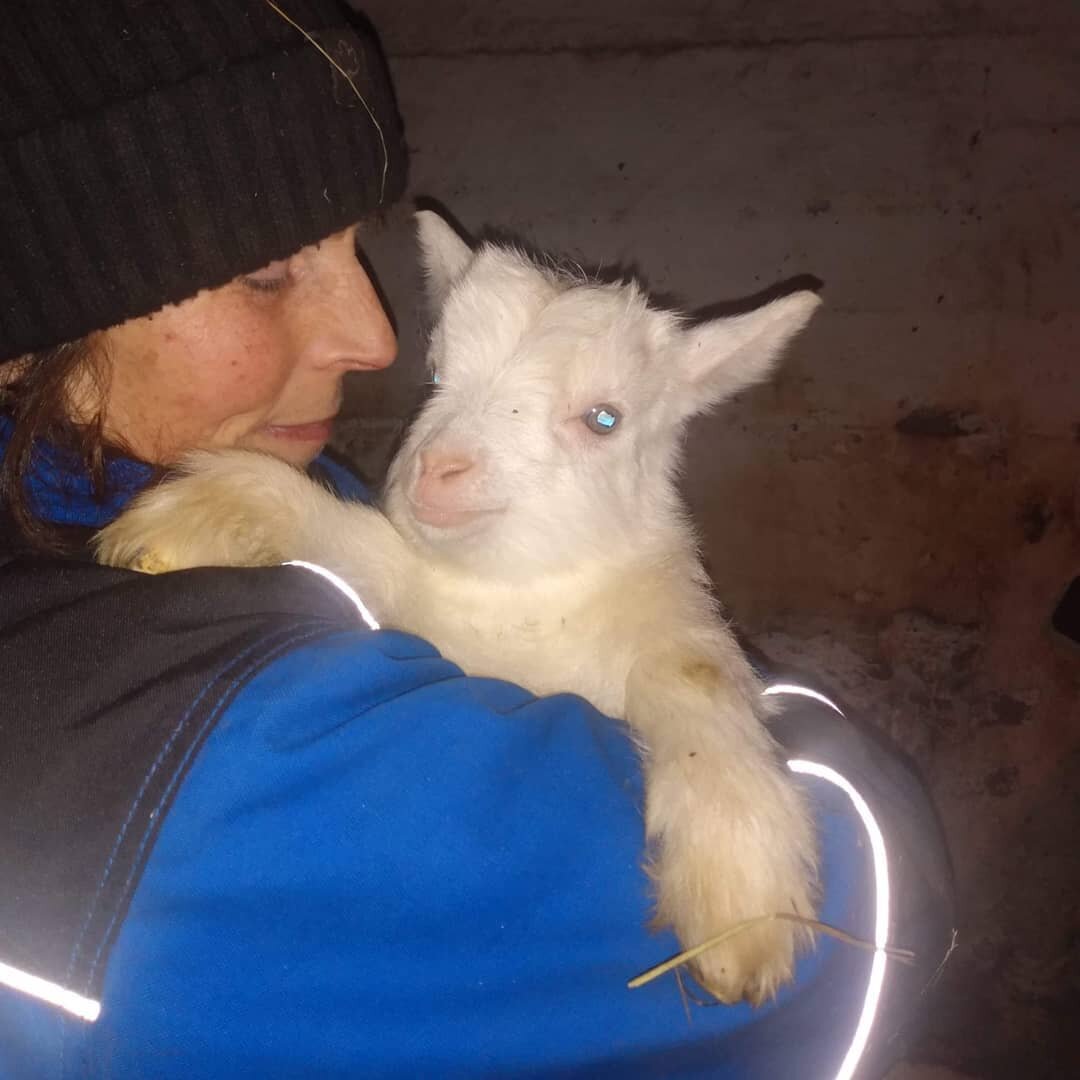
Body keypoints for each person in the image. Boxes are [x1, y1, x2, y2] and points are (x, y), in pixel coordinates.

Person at [0, 2, 953, 1076]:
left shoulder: (284, 502)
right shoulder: (215, 741)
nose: (377, 341)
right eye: (266, 274)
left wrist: (697, 696)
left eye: (355, 249)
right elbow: (864, 924)